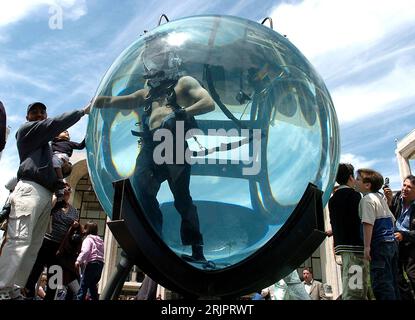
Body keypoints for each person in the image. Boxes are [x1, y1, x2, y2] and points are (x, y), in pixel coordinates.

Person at [94, 35, 215, 264]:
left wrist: (181, 113)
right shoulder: (145, 93)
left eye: (159, 54)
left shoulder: (184, 83)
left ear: (170, 57)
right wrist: (95, 103)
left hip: (175, 146)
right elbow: (115, 102)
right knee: (142, 190)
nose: (154, 60)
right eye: (151, 56)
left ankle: (197, 248)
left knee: (182, 199)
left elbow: (208, 103)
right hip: (150, 148)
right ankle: (154, 238)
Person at [0, 101, 90, 300]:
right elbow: (53, 125)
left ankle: (15, 286)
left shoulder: (47, 148)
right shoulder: (26, 132)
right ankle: (2, 288)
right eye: (34, 112)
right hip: (29, 189)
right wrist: (82, 111)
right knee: (19, 239)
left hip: (44, 195)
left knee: (33, 245)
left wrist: (60, 185)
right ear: (27, 118)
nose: (39, 114)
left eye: (43, 111)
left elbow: (59, 171)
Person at [24, 183, 81, 300]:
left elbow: (76, 227)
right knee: (37, 268)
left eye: (68, 192)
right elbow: (46, 212)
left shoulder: (74, 211)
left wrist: (76, 225)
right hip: (46, 241)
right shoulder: (54, 204)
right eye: (64, 191)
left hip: (60, 246)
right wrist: (57, 197)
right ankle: (28, 293)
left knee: (54, 273)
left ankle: (50, 297)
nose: (66, 194)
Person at [355, 168, 400, 300]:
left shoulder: (367, 199)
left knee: (381, 284)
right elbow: (392, 220)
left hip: (378, 245)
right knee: (392, 281)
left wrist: (367, 246)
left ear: (367, 185)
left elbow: (368, 223)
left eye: (358, 179)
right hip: (391, 244)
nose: (355, 182)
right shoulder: (380, 199)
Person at [328, 163, 368, 299]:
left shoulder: (332, 200)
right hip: (355, 248)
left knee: (349, 282)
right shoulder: (355, 196)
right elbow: (359, 220)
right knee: (355, 288)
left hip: (342, 248)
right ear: (350, 177)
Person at [384, 175, 415, 300]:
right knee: (397, 278)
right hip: (395, 244)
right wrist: (389, 201)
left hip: (411, 246)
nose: (404, 189)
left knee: (413, 276)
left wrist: (404, 235)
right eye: (404, 185)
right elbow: (388, 216)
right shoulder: (396, 198)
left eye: (409, 187)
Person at [52, 130, 85, 208]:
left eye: (68, 132)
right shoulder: (53, 143)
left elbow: (80, 146)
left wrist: (86, 137)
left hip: (62, 156)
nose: (67, 133)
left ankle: (60, 181)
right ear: (56, 136)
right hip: (54, 156)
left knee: (56, 161)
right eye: (64, 131)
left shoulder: (69, 143)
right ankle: (59, 193)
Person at [75, 221, 104, 300]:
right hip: (100, 265)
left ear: (86, 229)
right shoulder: (100, 241)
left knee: (83, 286)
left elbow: (86, 251)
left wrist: (78, 261)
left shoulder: (88, 239)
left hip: (92, 264)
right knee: (92, 286)